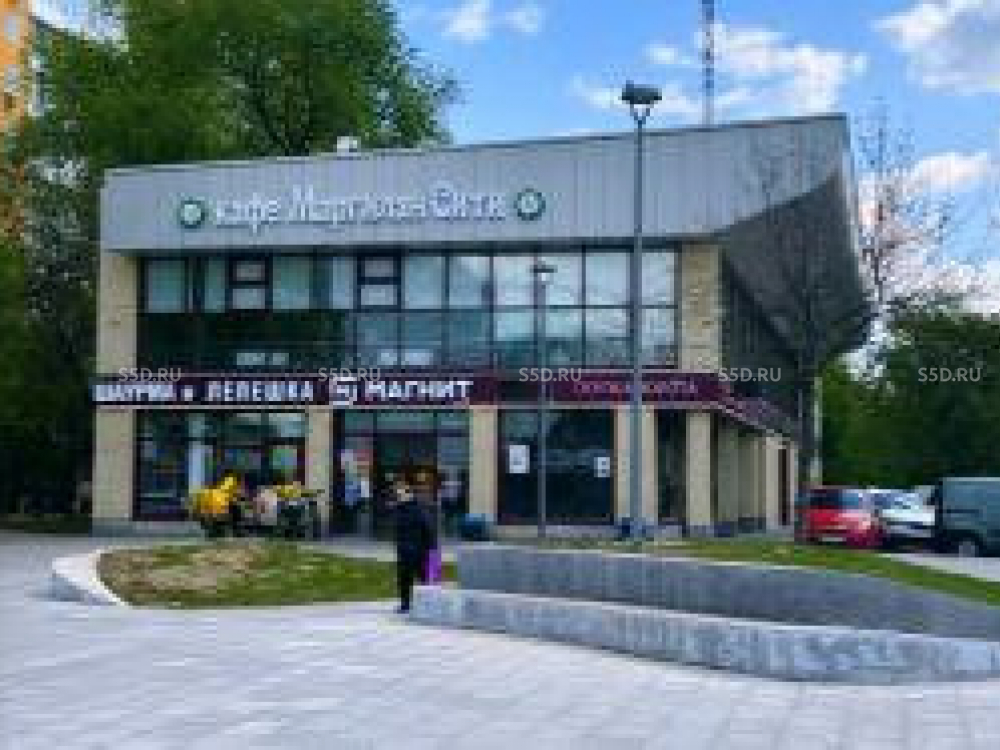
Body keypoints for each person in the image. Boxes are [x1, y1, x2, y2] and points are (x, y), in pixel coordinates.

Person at [392, 481, 435, 613]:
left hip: (419, 551)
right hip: (404, 550)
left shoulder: (418, 509)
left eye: (401, 494)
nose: (399, 497)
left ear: (409, 494)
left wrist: (432, 551)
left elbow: (428, 530)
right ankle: (405, 604)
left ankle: (428, 604)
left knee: (425, 578)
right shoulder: (399, 509)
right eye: (397, 495)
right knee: (404, 579)